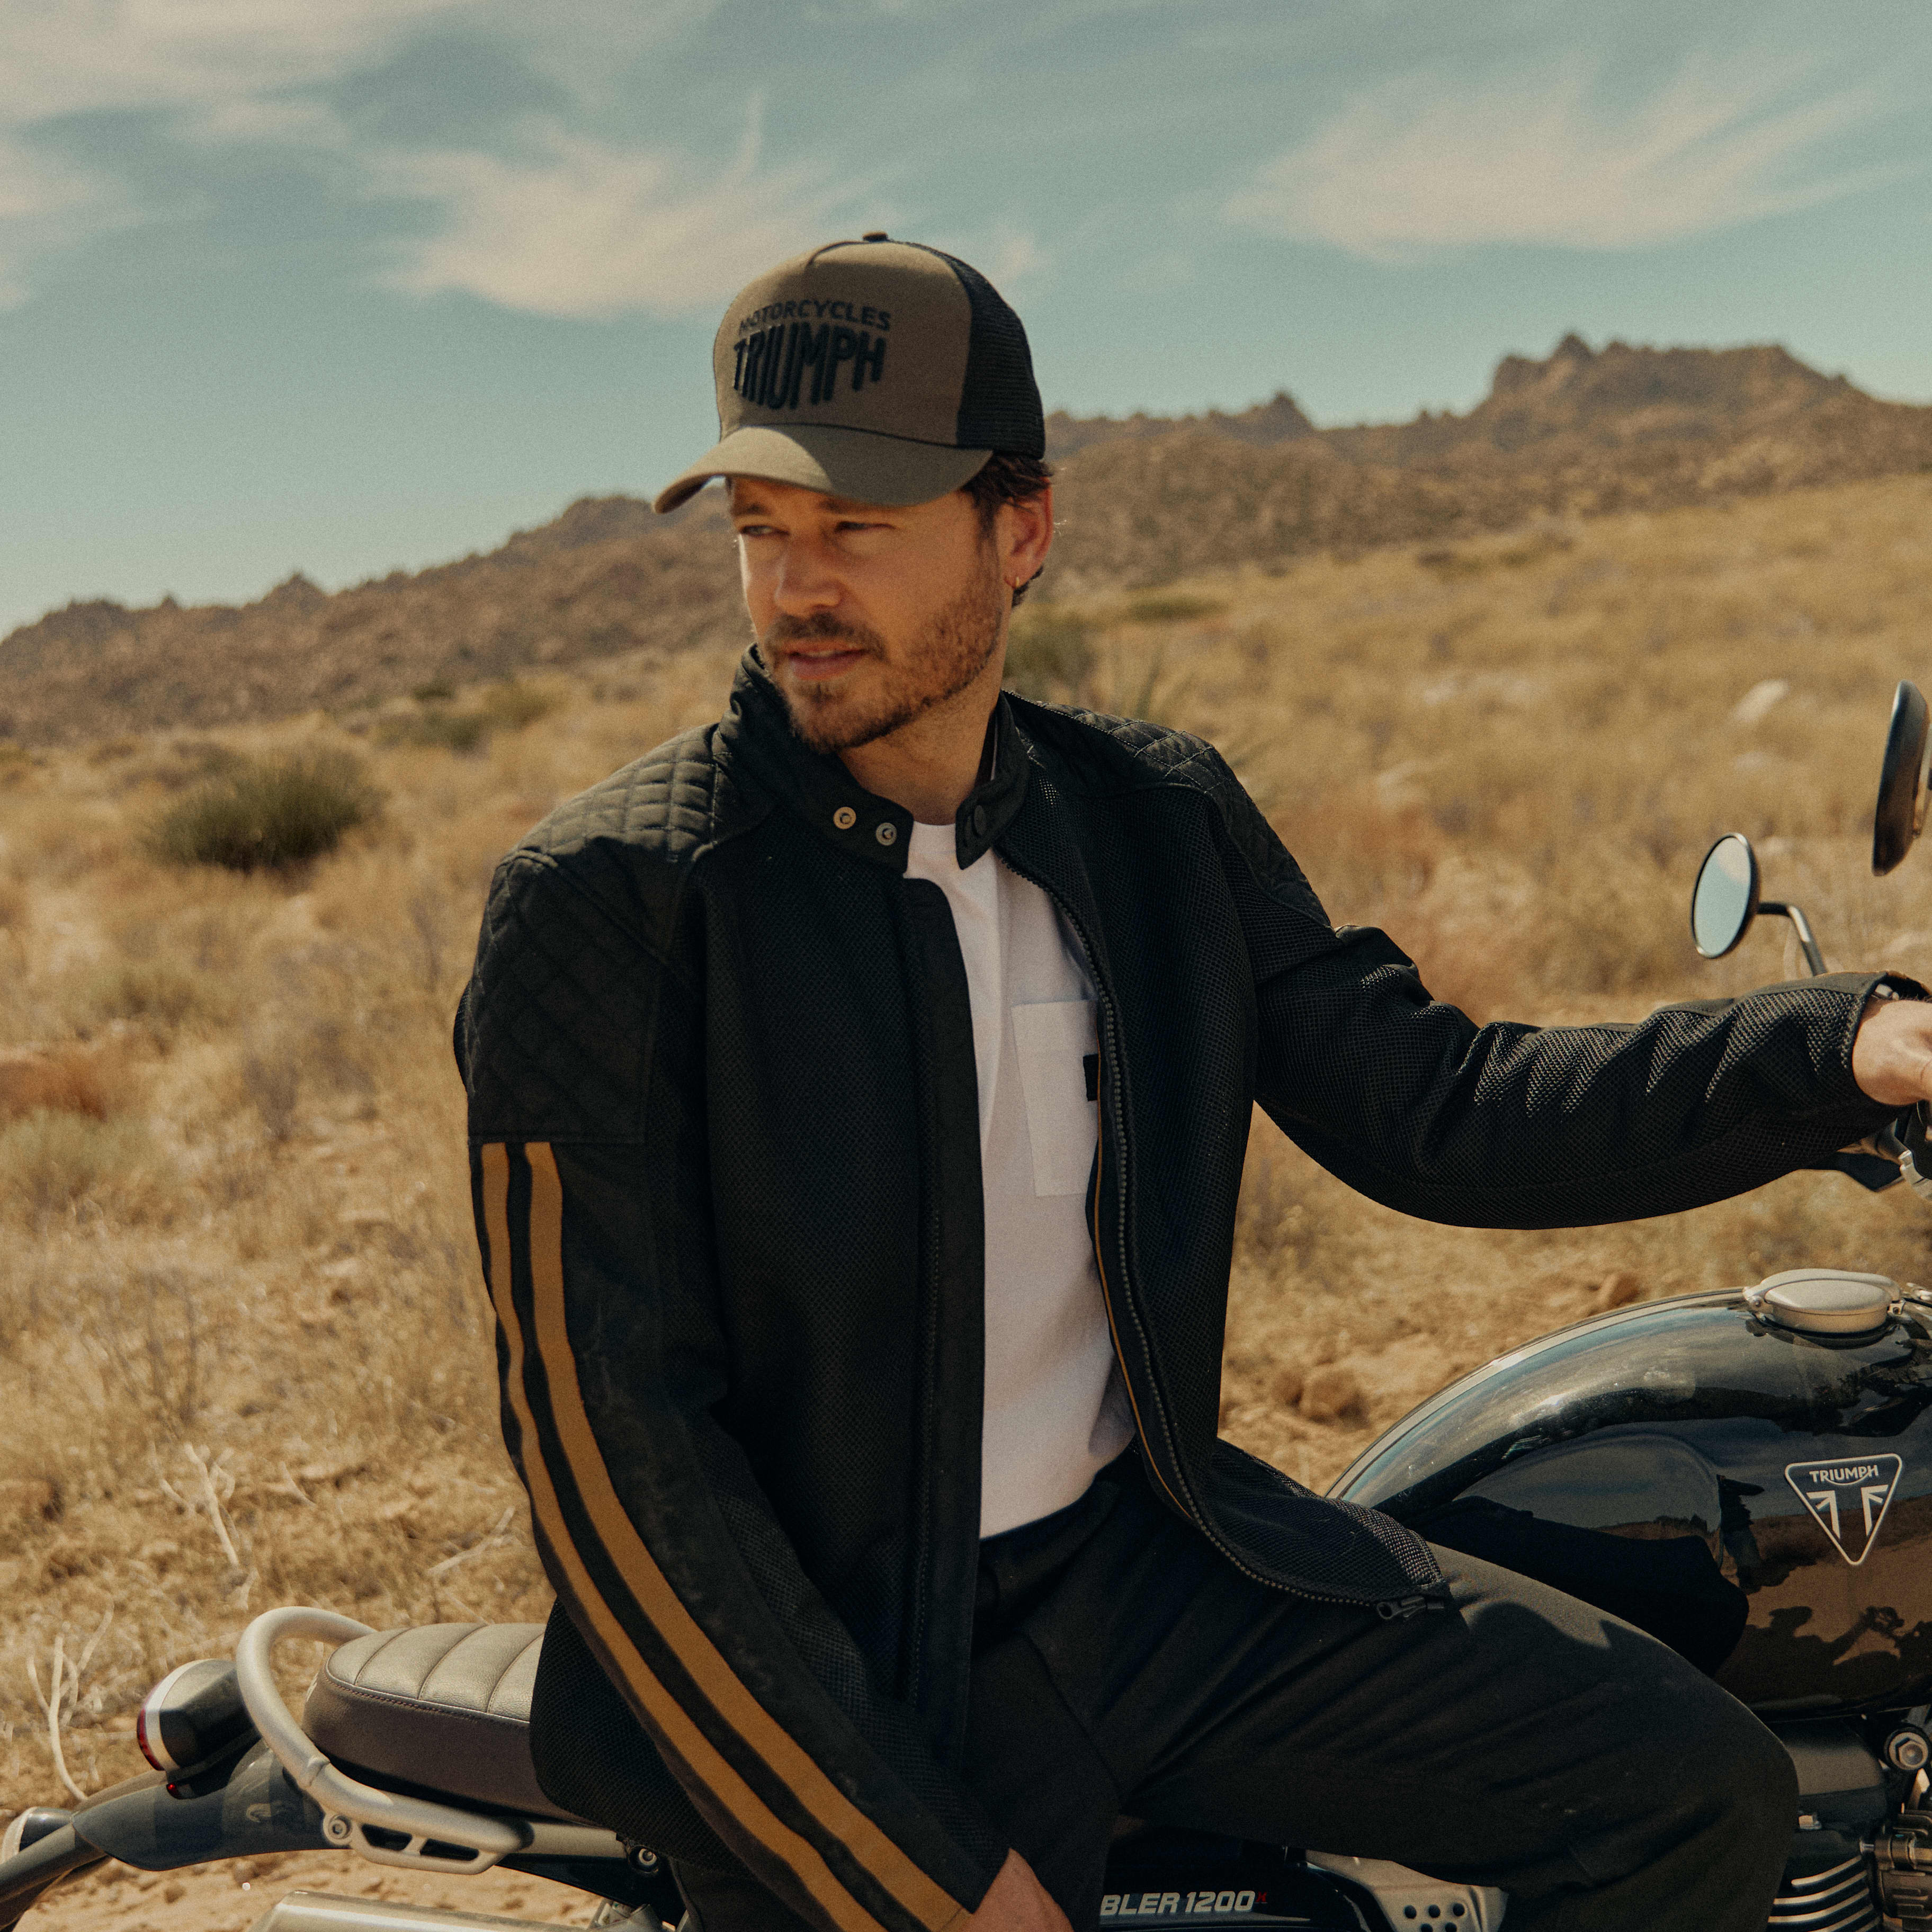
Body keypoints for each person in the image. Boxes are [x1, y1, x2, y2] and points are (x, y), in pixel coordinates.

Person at [456, 236, 1932, 1932]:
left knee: (1690, 1795)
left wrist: (1839, 1047)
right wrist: (920, 1878)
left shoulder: (1149, 821)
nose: (797, 587)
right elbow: (622, 1476)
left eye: (856, 528)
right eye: (759, 531)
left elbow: (1437, 1104)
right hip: (847, 1668)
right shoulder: (611, 907)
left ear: (1023, 531)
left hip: (1146, 1573)